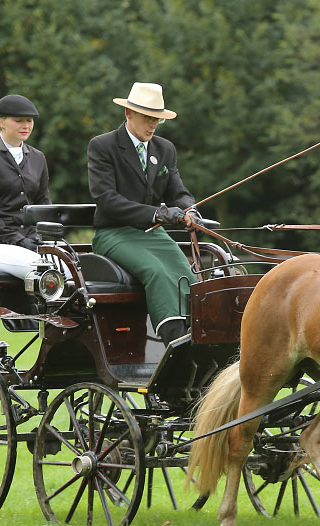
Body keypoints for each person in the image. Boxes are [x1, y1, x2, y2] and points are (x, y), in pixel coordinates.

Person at [87, 82, 200, 343]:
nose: (152, 125)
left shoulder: (165, 149)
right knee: (156, 272)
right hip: (113, 233)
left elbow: (178, 191)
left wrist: (189, 210)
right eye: (147, 118)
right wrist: (157, 214)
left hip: (153, 235)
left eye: (157, 120)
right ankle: (174, 341)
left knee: (187, 274)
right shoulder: (103, 146)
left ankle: (197, 334)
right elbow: (107, 200)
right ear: (128, 114)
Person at [0, 94, 51, 279]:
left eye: (29, 120)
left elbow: (43, 206)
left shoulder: (38, 158)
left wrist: (38, 237)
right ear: (1, 122)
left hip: (29, 243)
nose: (26, 126)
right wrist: (17, 239)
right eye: (18, 120)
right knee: (43, 270)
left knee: (73, 267)